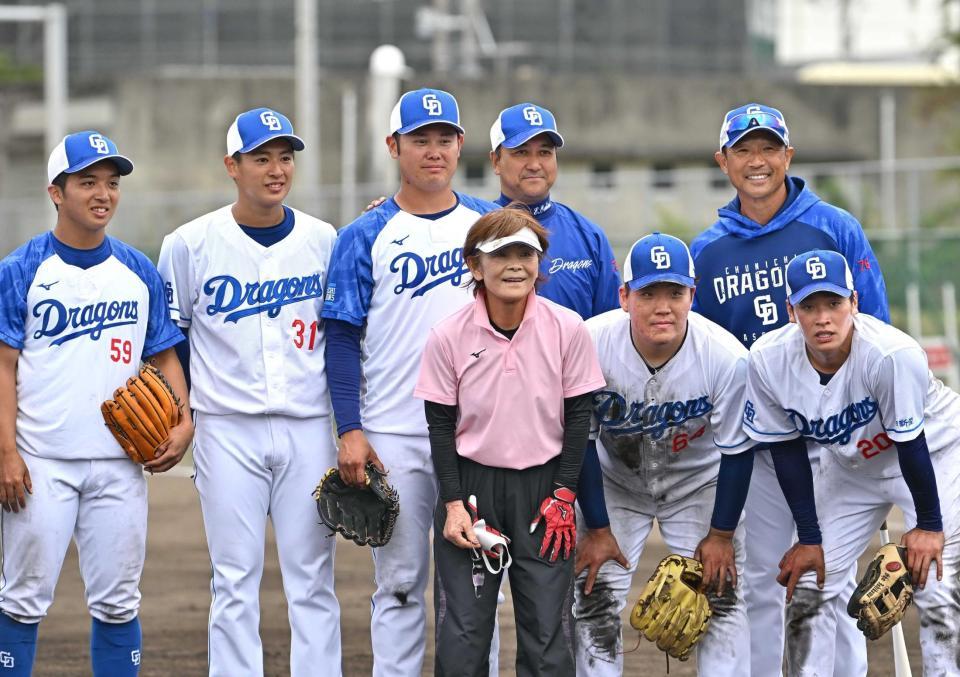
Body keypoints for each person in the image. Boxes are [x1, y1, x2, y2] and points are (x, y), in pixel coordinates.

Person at [689, 102, 890, 676]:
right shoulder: (707, 251)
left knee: (834, 578)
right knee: (760, 580)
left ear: (788, 156)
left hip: (836, 439)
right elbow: (705, 352)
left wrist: (874, 436)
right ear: (723, 161)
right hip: (758, 446)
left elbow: (874, 329)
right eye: (744, 150)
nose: (758, 161)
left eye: (769, 149)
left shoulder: (833, 227)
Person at [0, 131, 192, 676]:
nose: (102, 193)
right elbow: (3, 368)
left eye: (111, 182)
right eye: (87, 182)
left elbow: (165, 357)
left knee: (118, 601)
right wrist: (6, 453)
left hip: (118, 465)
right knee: (22, 598)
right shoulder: (20, 270)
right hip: (42, 462)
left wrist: (183, 422)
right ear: (56, 192)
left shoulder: (137, 270)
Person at [321, 88, 497, 677]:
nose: (433, 150)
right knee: (398, 583)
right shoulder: (364, 233)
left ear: (460, 146)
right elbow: (342, 338)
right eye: (419, 139)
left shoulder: (488, 227)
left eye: (444, 138)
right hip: (394, 431)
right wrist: (350, 429)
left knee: (476, 583)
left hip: (476, 434)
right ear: (394, 146)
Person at [157, 108, 340, 677]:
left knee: (312, 578)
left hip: (309, 425)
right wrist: (180, 414)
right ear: (232, 166)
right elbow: (170, 340)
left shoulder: (323, 239)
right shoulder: (189, 244)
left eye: (285, 156)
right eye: (262, 157)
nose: (276, 168)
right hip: (226, 427)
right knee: (233, 578)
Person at [744, 249, 960, 675]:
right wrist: (808, 536)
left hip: (933, 456)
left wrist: (930, 526)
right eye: (809, 306)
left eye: (833, 303)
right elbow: (786, 449)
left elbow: (911, 443)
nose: (823, 317)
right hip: (853, 466)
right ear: (791, 311)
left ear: (854, 304)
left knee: (934, 584)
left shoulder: (889, 354)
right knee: (810, 580)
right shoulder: (768, 360)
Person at [414, 207, 605, 676]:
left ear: (540, 263)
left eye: (526, 252)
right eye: (500, 254)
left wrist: (564, 493)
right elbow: (440, 426)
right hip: (472, 493)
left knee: (547, 634)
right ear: (475, 266)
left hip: (545, 493)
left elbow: (579, 416)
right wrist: (454, 504)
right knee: (463, 636)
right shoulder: (448, 336)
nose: (515, 264)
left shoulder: (567, 327)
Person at [572, 232, 754, 675]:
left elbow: (737, 451)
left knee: (721, 599)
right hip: (614, 484)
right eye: (648, 292)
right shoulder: (589, 343)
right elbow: (579, 441)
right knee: (594, 597)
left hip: (700, 483)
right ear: (624, 296)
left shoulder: (725, 357)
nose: (662, 306)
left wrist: (722, 535)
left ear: (693, 294)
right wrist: (596, 527)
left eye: (675, 292)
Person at [489, 103, 620, 319]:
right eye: (521, 152)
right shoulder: (476, 232)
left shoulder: (590, 237)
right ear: (496, 161)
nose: (534, 164)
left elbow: (610, 328)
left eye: (544, 152)